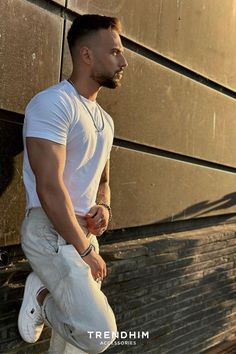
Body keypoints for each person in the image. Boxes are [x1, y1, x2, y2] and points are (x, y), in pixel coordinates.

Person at [18, 14, 128, 354]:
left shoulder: (106, 121)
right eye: (114, 52)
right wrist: (83, 249)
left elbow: (103, 182)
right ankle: (42, 294)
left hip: (83, 234)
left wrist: (104, 208)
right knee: (97, 335)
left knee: (72, 349)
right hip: (51, 231)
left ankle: (49, 294)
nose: (123, 61)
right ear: (86, 55)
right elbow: (49, 187)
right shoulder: (53, 104)